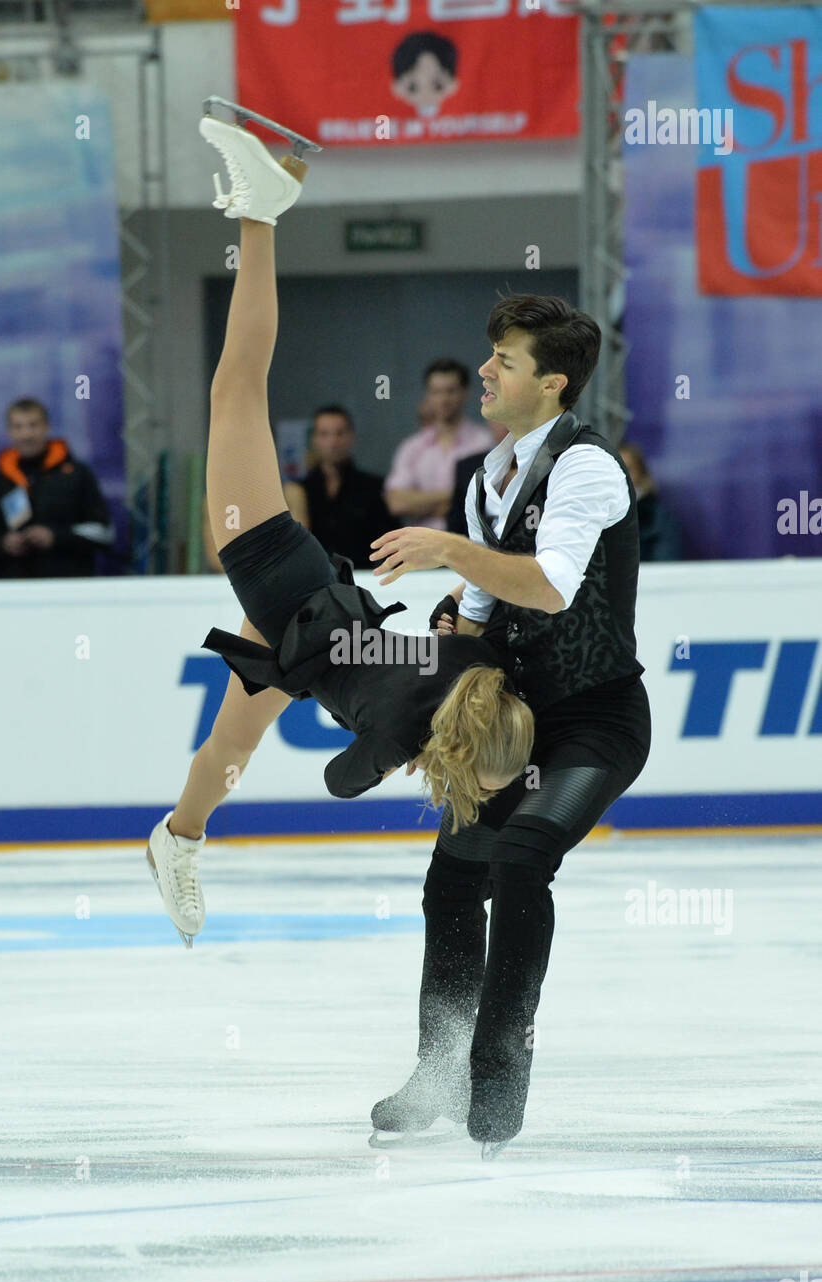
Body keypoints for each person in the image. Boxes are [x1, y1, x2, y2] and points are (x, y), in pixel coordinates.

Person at [146, 111, 534, 951]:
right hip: (285, 578)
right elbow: (336, 780)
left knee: (225, 750)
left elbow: (441, 638)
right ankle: (261, 210)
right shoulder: (404, 735)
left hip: (313, 619)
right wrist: (393, 753)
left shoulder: (476, 665)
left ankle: (178, 838)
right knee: (239, 389)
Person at [366, 295, 652, 1155]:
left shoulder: (589, 468)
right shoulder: (487, 477)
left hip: (598, 722)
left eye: (506, 361)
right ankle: (440, 1065)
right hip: (524, 730)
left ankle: (498, 1070)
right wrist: (446, 641)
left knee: (525, 856)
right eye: (490, 355)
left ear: (552, 383)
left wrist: (450, 551)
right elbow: (490, 610)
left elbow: (554, 584)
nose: (486, 371)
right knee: (453, 881)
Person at [0, 398, 115, 579]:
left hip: (68, 587)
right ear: (9, 432)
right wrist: (3, 543)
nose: (26, 434)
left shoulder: (77, 474)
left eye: (33, 425)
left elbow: (105, 533)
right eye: (18, 427)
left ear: (47, 427)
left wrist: (55, 537)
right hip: (14, 591)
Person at [384, 359, 493, 530]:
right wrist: (456, 499)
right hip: (421, 549)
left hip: (469, 546)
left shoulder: (484, 443)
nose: (443, 399)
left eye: (451, 391)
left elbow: (488, 501)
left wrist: (421, 504)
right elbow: (396, 502)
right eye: (436, 392)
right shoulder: (412, 447)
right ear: (427, 395)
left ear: (465, 393)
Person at [282, 405, 393, 570]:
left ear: (351, 437)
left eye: (340, 433)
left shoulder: (374, 487)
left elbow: (389, 541)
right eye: (324, 434)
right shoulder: (299, 491)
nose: (333, 442)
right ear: (314, 439)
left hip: (365, 579)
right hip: (316, 581)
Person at [619, 441, 682, 561]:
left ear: (641, 473)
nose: (622, 476)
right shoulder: (595, 515)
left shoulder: (658, 519)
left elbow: (664, 565)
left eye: (629, 469)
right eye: (617, 469)